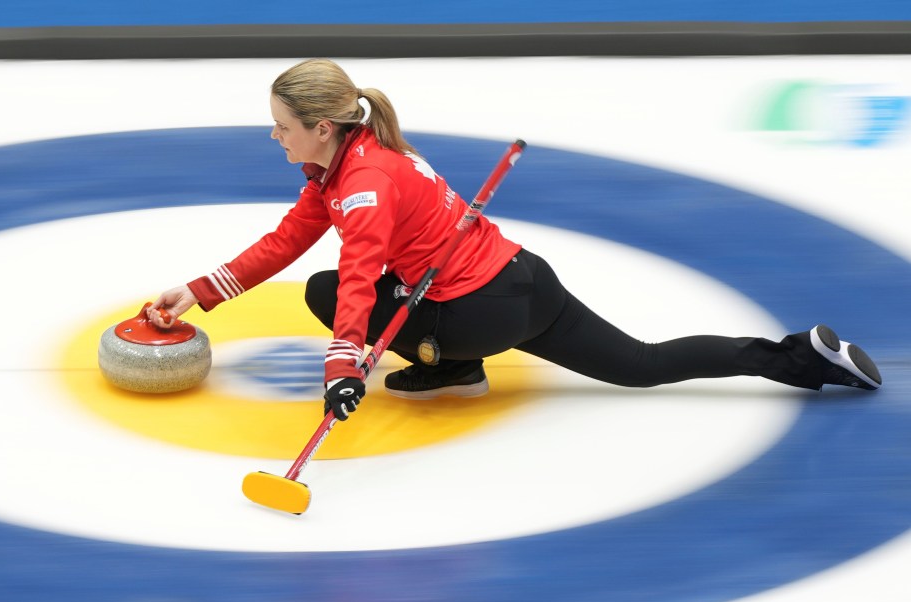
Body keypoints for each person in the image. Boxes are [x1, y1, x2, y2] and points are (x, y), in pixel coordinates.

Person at [147, 58, 882, 421]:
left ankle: (449, 362)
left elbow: (360, 276)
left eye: (282, 124)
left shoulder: (364, 184)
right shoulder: (348, 163)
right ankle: (801, 358)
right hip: (524, 280)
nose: (273, 135)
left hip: (483, 307)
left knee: (331, 292)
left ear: (324, 126)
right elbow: (287, 239)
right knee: (640, 364)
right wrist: (200, 291)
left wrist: (344, 368)